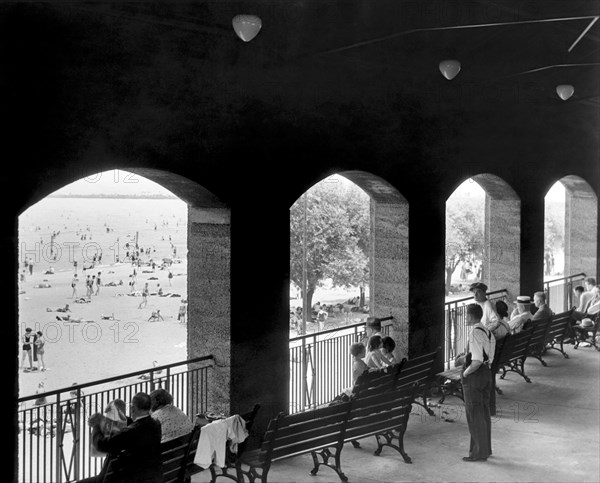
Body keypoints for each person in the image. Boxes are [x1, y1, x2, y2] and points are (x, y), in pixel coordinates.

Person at [77, 392, 162, 483]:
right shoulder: (156, 423)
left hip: (125, 478)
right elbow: (138, 426)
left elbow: (102, 444)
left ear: (133, 409)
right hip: (149, 476)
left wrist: (96, 426)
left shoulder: (130, 432)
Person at [454, 303, 495, 462]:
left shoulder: (474, 333)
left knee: (474, 416)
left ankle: (478, 453)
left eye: (466, 315)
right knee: (483, 413)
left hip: (475, 376)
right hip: (487, 374)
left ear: (471, 316)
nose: (465, 318)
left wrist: (465, 373)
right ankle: (486, 449)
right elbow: (485, 356)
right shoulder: (487, 331)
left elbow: (476, 361)